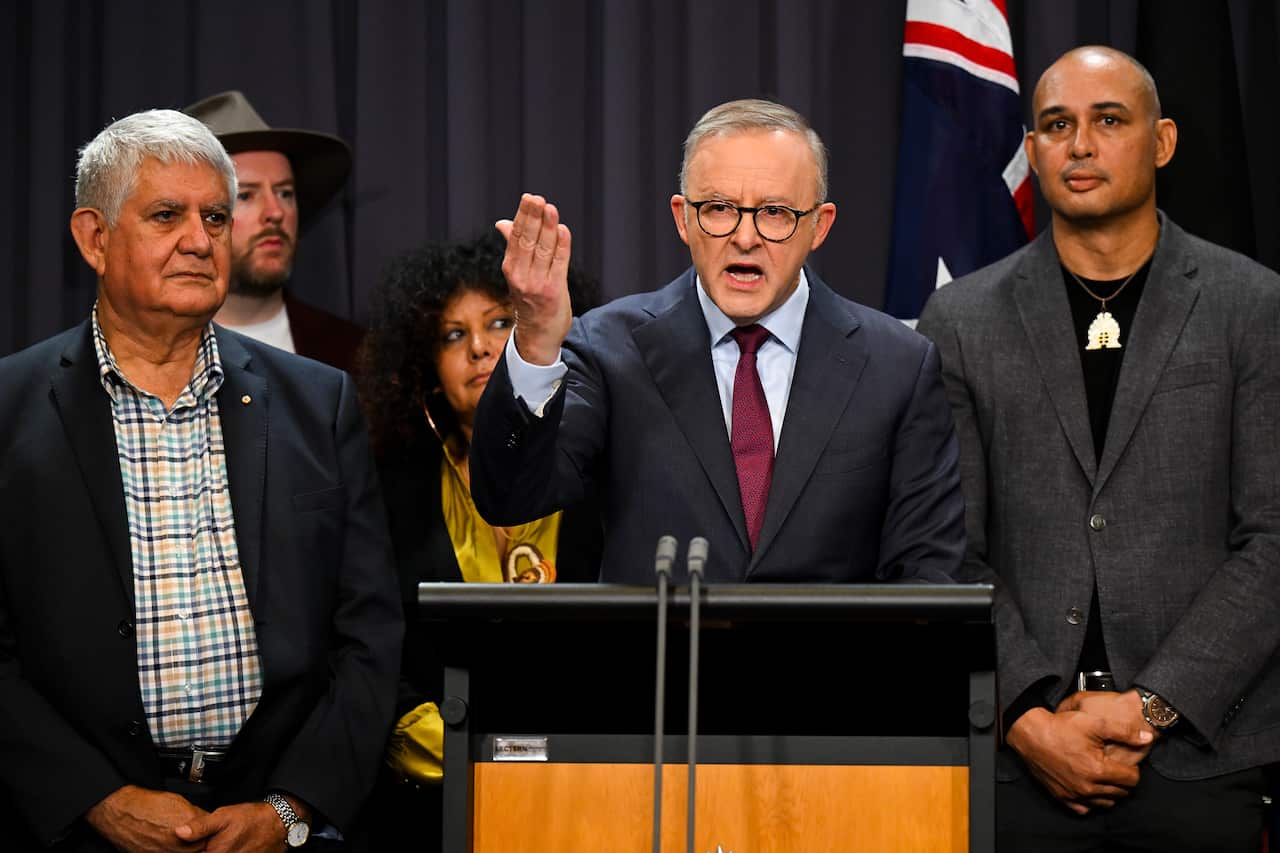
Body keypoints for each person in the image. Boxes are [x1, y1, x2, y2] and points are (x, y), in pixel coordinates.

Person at [0, 109, 402, 852]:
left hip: (275, 827)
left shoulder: (319, 402)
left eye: (216, 216)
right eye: (166, 215)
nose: (200, 239)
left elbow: (369, 631)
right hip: (75, 829)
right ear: (94, 237)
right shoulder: (10, 409)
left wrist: (290, 808)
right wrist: (96, 798)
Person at [917, 46, 1280, 851]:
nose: (1079, 144)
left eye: (1107, 120)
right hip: (1021, 762)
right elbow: (947, 550)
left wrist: (1148, 705)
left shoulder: (1252, 306)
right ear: (1034, 148)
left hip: (1198, 759)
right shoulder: (960, 320)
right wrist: (1026, 717)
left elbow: (1273, 541)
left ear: (1163, 141)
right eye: (1056, 125)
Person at [470, 98, 965, 583]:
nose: (745, 237)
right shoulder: (608, 348)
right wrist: (535, 341)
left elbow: (926, 573)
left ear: (819, 226)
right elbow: (510, 499)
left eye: (774, 212)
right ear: (683, 218)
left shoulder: (897, 365)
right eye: (720, 208)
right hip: (663, 663)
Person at [352, 232, 602, 850]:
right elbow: (372, 645)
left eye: (499, 323)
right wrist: (464, 753)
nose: (482, 348)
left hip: (590, 787)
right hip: (435, 800)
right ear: (424, 365)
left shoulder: (602, 469)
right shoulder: (388, 486)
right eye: (454, 335)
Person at [185, 90, 364, 372]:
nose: (276, 212)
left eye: (284, 193)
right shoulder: (151, 356)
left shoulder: (353, 352)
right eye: (245, 196)